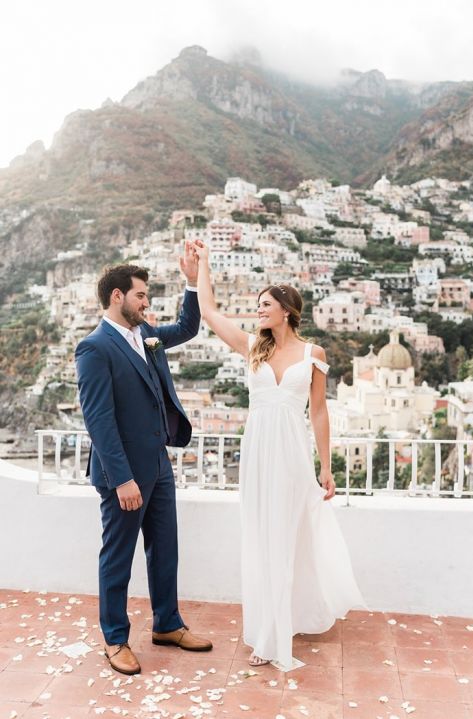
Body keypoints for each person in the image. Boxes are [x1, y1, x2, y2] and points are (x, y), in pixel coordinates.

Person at [193, 241, 364, 670]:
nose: (258, 311)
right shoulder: (254, 347)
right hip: (257, 453)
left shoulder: (314, 355)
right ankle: (268, 630)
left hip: (291, 455)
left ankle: (293, 615)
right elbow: (210, 313)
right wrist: (204, 266)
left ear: (286, 309)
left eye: (265, 305)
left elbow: (320, 413)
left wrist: (327, 468)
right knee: (261, 536)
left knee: (288, 536)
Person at [75, 247, 213, 676]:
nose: (146, 302)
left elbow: (189, 326)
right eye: (141, 296)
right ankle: (115, 639)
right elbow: (98, 420)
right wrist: (122, 480)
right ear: (117, 296)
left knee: (164, 549)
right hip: (125, 476)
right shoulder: (94, 348)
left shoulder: (148, 334)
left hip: (158, 465)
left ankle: (167, 624)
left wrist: (193, 281)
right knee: (117, 557)